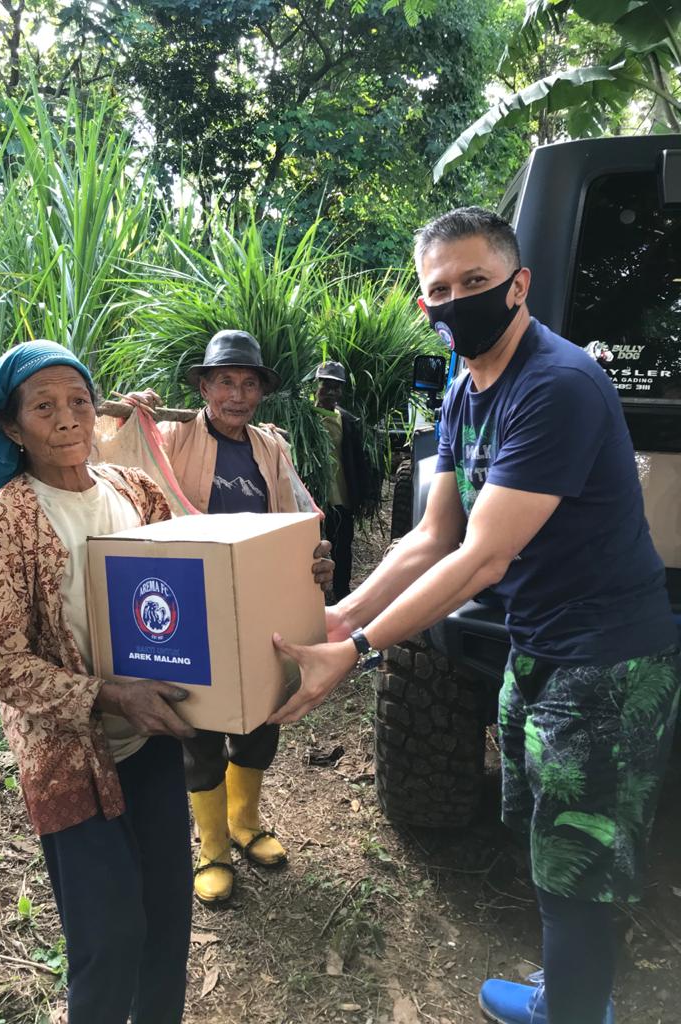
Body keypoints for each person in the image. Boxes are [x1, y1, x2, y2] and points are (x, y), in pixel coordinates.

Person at [268, 208, 680, 1024]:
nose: (455, 300)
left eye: (475, 282)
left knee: (575, 865)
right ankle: (571, 994)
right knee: (546, 838)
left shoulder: (554, 384)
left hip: (606, 661)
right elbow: (433, 534)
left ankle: (572, 1011)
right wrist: (339, 611)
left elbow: (483, 560)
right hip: (540, 645)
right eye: (439, 290)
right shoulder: (465, 389)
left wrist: (354, 649)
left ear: (518, 284)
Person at [0, 341, 197, 1024]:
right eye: (44, 407)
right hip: (69, 755)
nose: (67, 418)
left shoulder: (138, 493)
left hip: (149, 739)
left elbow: (194, 592)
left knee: (165, 918)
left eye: (78, 401)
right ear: (12, 428)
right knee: (108, 938)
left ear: (97, 411)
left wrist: (293, 579)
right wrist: (109, 696)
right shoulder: (2, 521)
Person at [125, 329, 333, 905]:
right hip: (190, 601)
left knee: (264, 713)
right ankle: (213, 847)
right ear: (204, 386)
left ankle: (246, 823)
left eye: (248, 383)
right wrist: (132, 420)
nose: (236, 395)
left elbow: (298, 516)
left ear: (260, 392)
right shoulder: (170, 435)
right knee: (200, 726)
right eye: (225, 381)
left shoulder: (271, 447)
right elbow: (111, 466)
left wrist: (317, 557)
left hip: (257, 599)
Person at [314, 361, 375, 600]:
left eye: (336, 387)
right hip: (313, 503)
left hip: (340, 499)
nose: (331, 392)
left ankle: (341, 595)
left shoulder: (348, 421)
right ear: (316, 387)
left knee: (342, 550)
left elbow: (361, 460)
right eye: (326, 385)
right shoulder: (302, 419)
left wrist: (368, 495)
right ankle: (313, 600)